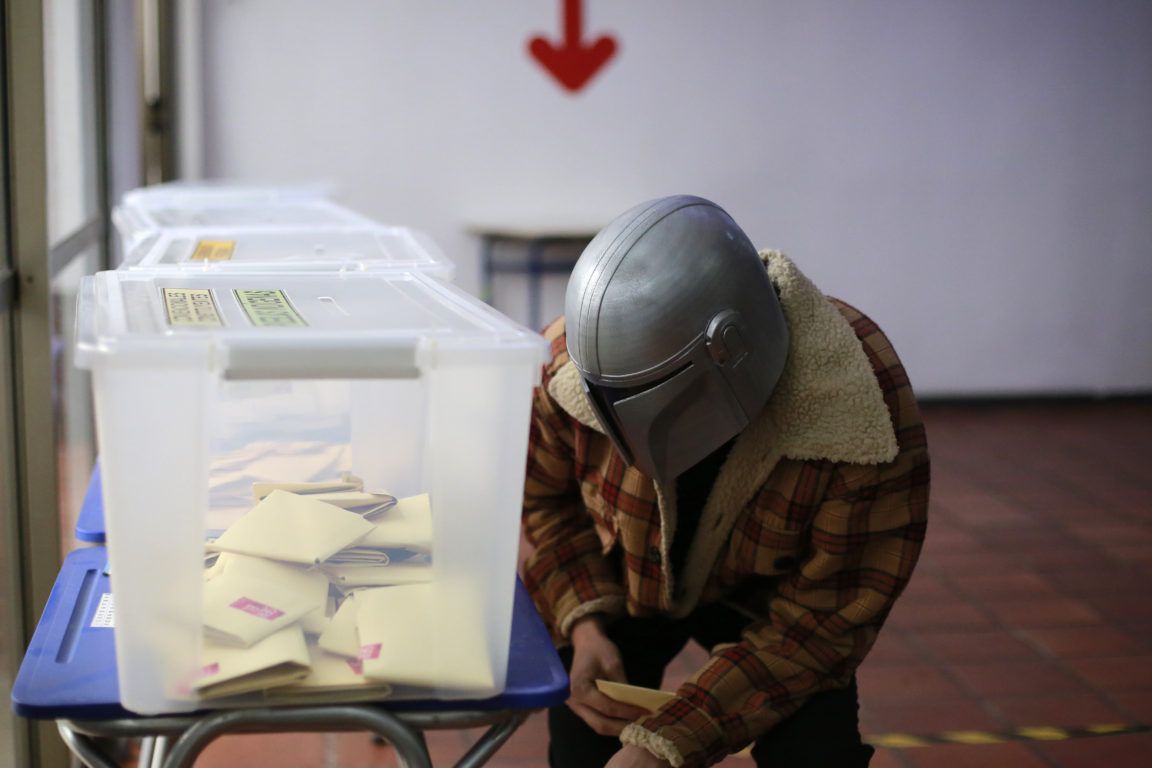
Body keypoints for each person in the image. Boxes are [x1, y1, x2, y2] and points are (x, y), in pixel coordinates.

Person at [521, 195, 930, 767]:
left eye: (645, 400)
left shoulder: (861, 408)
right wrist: (585, 626)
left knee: (817, 755)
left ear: (730, 350)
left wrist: (666, 742)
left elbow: (821, 628)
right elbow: (544, 502)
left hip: (772, 605)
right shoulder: (566, 366)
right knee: (581, 744)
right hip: (629, 582)